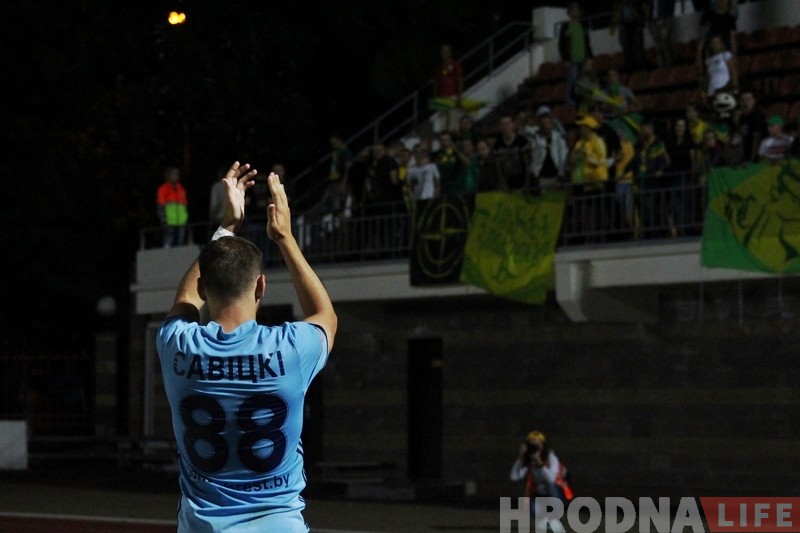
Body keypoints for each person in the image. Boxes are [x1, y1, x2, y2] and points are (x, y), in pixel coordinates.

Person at [156, 161, 337, 533]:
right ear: (261, 287)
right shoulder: (290, 348)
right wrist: (284, 238)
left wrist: (226, 226)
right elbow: (325, 315)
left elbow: (185, 299)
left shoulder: (177, 345)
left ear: (205, 288)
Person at [509, 431, 572, 533]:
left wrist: (539, 462)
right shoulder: (529, 459)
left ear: (543, 446)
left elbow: (551, 480)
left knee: (551, 486)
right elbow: (514, 477)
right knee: (529, 507)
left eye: (537, 445)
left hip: (557, 495)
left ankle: (556, 520)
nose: (534, 448)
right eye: (531, 445)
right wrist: (521, 458)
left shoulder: (550, 457)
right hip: (540, 495)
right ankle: (548, 520)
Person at [559, 2, 593, 106]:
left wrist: (590, 58)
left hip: (583, 59)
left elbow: (587, 42)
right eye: (572, 10)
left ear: (579, 12)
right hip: (572, 60)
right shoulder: (565, 26)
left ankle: (584, 101)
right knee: (572, 81)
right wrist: (565, 59)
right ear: (569, 13)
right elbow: (561, 44)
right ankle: (570, 102)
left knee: (584, 82)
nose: (574, 12)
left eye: (576, 10)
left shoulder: (583, 26)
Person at [492, 115, 532, 192]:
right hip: (508, 182)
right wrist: (503, 183)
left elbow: (527, 164)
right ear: (500, 127)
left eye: (507, 123)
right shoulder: (497, 144)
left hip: (522, 180)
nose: (505, 127)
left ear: (512, 124)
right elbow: (498, 166)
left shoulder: (522, 141)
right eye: (502, 124)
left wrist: (527, 183)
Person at [433, 43, 464, 133]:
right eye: (443, 51)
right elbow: (436, 83)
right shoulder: (439, 67)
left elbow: (459, 81)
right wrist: (435, 98)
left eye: (446, 51)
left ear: (450, 52)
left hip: (452, 97)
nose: (444, 53)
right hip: (441, 98)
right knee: (443, 125)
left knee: (453, 125)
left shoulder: (455, 64)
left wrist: (459, 97)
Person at [610, 0, 648, 71]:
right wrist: (617, 25)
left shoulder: (636, 2)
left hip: (635, 26)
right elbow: (615, 14)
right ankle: (630, 69)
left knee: (638, 49)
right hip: (624, 27)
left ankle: (642, 69)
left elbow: (643, 10)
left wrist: (642, 24)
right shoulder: (618, 3)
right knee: (626, 50)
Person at [157, 165, 189, 248]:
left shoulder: (181, 189)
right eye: (174, 174)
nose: (177, 176)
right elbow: (161, 206)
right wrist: (163, 220)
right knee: (168, 244)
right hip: (169, 222)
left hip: (181, 222)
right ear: (168, 176)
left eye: (177, 174)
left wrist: (185, 219)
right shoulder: (163, 189)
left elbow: (184, 206)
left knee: (180, 244)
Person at [703, 34, 737, 104]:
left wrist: (734, 85)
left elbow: (733, 71)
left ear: (721, 44)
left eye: (717, 43)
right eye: (712, 43)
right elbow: (708, 76)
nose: (715, 45)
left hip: (725, 86)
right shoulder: (708, 60)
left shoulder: (726, 55)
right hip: (712, 89)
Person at [736, 90, 767, 165]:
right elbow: (742, 138)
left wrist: (752, 160)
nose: (745, 103)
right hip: (748, 153)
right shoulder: (742, 117)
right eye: (742, 100)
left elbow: (757, 139)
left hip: (760, 154)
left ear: (754, 101)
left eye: (748, 99)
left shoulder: (758, 115)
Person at [647, 0, 676, 68]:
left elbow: (671, 5)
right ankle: (661, 66)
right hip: (653, 21)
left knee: (665, 43)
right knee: (657, 45)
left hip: (664, 19)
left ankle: (669, 65)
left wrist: (669, 18)